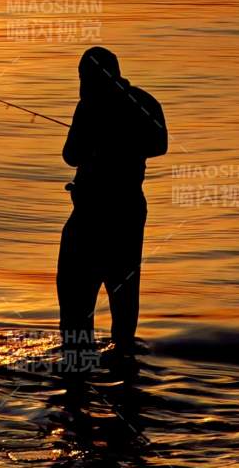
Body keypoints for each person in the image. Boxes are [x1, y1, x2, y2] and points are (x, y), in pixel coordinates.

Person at [57, 46, 167, 361]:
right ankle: (124, 372)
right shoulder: (145, 102)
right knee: (124, 303)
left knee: (75, 304)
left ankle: (77, 377)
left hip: (91, 215)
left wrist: (104, 141)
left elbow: (70, 156)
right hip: (129, 212)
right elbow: (160, 145)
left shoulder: (89, 106)